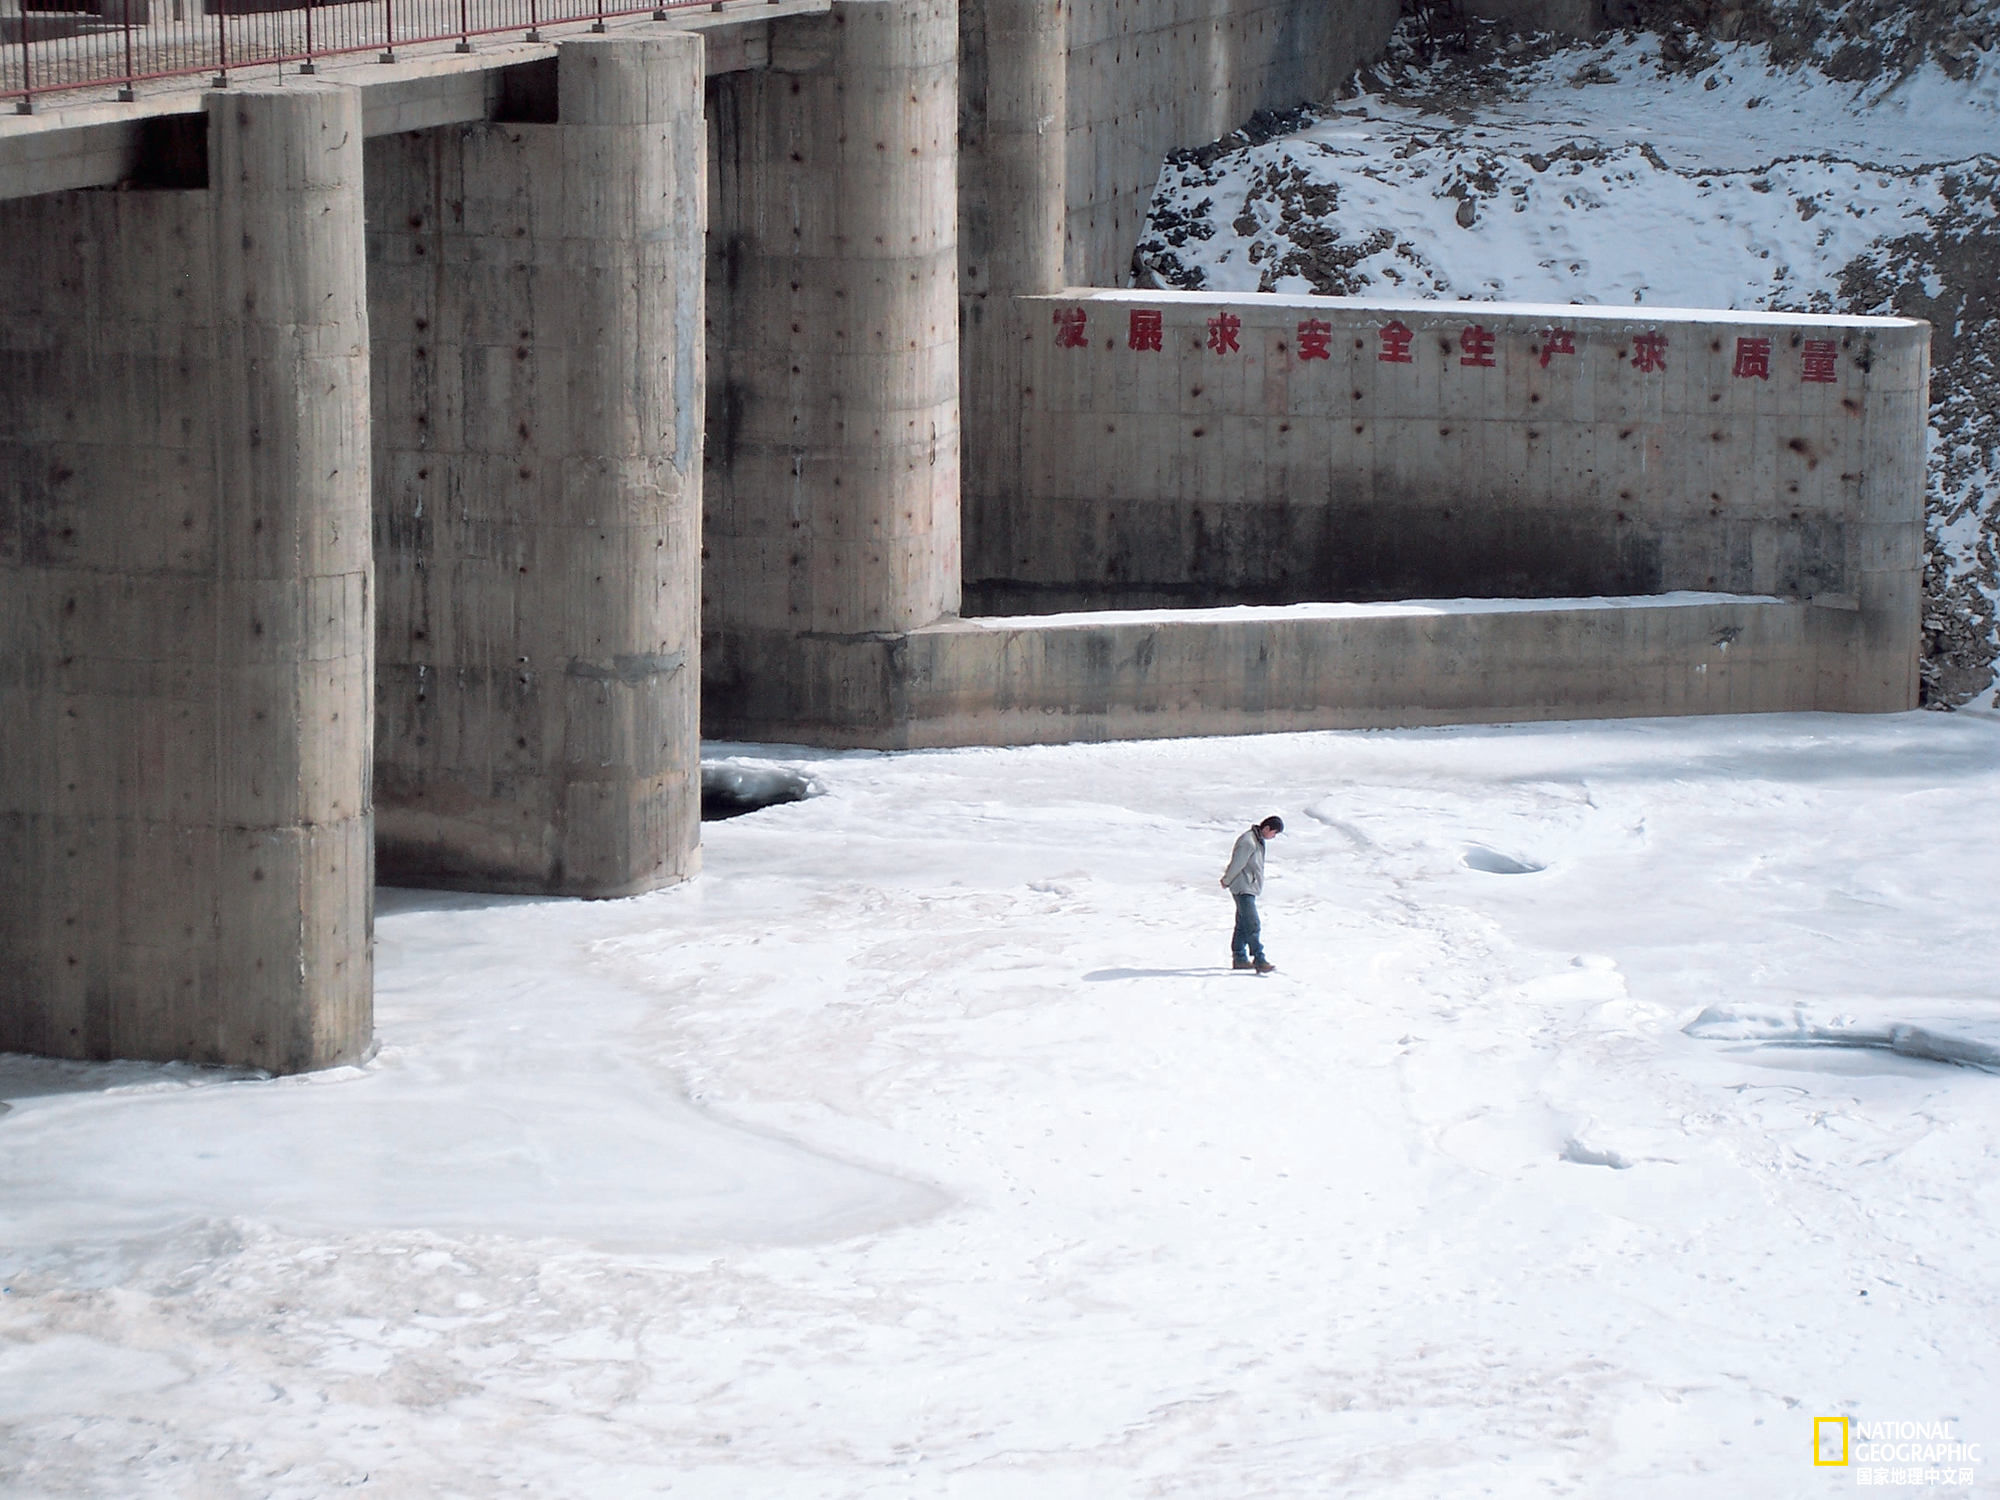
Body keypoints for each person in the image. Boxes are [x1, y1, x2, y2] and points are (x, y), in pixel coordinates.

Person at [1220, 815, 1283, 973]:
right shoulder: (1248, 841)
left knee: (1242, 924)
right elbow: (1237, 863)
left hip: (1249, 886)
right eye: (1274, 833)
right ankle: (1259, 959)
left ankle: (1240, 958)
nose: (1273, 837)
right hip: (1243, 887)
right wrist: (1227, 880)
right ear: (1266, 828)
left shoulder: (1257, 840)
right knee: (1253, 923)